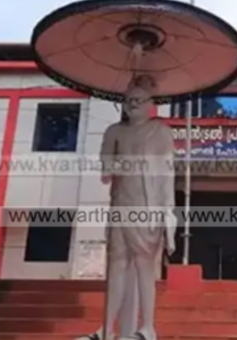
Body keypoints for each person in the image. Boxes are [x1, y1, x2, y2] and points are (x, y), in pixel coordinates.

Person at [78, 75, 176, 340]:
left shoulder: (161, 131)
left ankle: (147, 327)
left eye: (138, 100)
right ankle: (107, 328)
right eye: (128, 100)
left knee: (145, 264)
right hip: (121, 203)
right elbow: (106, 172)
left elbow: (168, 173)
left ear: (150, 103)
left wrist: (169, 212)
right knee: (116, 264)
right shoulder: (114, 132)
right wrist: (122, 165)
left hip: (148, 205)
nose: (132, 105)